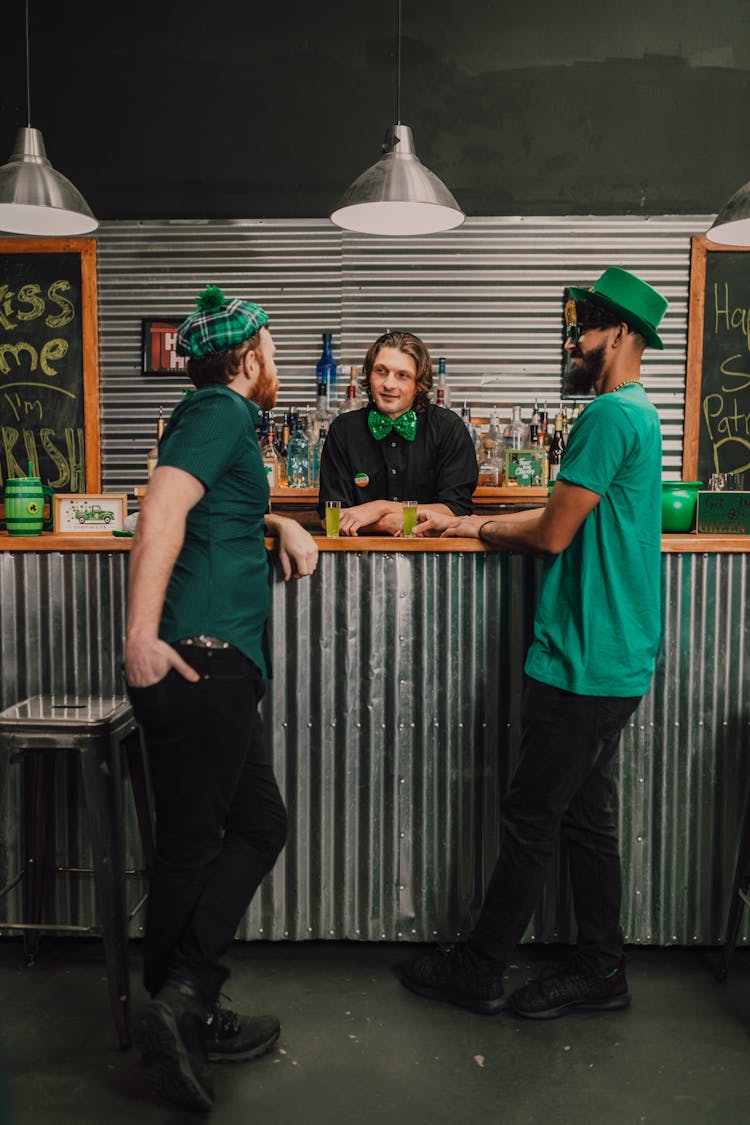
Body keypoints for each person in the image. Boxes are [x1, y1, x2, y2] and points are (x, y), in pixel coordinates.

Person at [398, 267, 668, 1020]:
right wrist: (467, 519)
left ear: (616, 333)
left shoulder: (611, 415)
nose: (573, 343)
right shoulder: (639, 414)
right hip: (613, 656)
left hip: (583, 660)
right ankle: (602, 968)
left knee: (530, 817)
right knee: (584, 816)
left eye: (582, 330)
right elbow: (564, 505)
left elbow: (553, 530)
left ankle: (481, 968)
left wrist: (472, 524)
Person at [124, 285, 318, 1111]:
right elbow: (163, 508)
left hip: (219, 660)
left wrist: (277, 524)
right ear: (245, 359)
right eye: (271, 349)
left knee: (253, 823)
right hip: (197, 659)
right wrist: (139, 635)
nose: (276, 363)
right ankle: (178, 1008)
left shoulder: (220, 423)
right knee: (193, 845)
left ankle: (185, 1003)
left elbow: (213, 512)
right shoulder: (218, 410)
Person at [317, 331, 478, 535]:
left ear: (419, 384)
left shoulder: (448, 428)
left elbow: (456, 512)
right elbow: (329, 517)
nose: (389, 384)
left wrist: (380, 507)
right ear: (369, 374)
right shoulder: (343, 429)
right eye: (381, 371)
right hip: (358, 558)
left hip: (433, 558)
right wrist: (389, 523)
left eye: (403, 375)